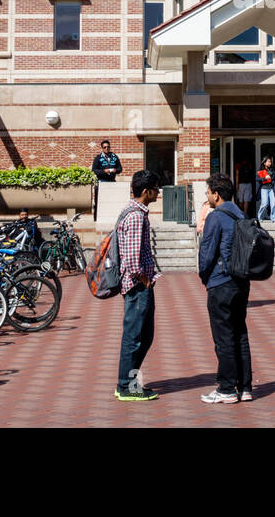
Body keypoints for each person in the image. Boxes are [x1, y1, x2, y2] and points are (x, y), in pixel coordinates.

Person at [197, 174, 254, 404]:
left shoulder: (216, 217)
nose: (207, 196)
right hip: (242, 282)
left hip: (221, 282)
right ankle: (245, 387)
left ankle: (227, 388)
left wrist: (204, 277)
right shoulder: (241, 214)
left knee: (224, 337)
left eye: (208, 192)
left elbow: (207, 252)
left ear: (216, 194)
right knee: (240, 333)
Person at [116, 169, 162, 402]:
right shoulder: (135, 216)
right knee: (136, 337)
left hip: (137, 285)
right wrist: (145, 282)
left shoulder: (132, 211)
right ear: (146, 191)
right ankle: (127, 385)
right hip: (137, 286)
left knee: (142, 335)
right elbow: (133, 262)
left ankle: (127, 382)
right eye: (156, 190)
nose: (158, 193)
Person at [255, 155, 275, 223]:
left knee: (274, 203)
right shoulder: (260, 171)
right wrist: (264, 178)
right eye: (268, 162)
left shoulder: (272, 170)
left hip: (271, 189)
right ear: (264, 163)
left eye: (270, 162)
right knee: (264, 203)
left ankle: (274, 218)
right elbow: (257, 179)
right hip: (264, 189)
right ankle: (259, 217)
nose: (270, 163)